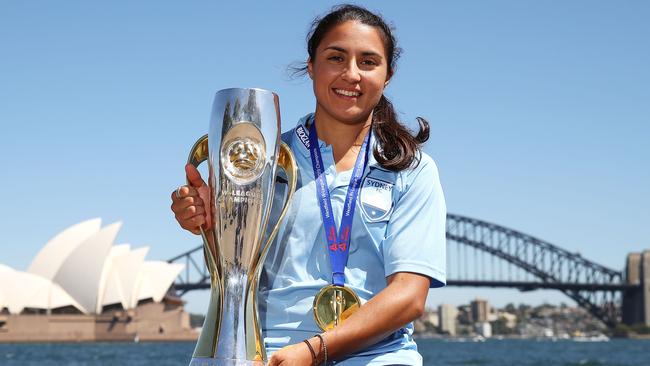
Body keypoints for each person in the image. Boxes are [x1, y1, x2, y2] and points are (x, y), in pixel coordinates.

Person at [171, 4, 446, 365]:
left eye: (368, 61)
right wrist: (207, 222)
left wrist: (315, 351)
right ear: (312, 66)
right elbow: (234, 268)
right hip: (259, 349)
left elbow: (409, 296)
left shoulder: (412, 169)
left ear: (387, 75)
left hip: (377, 356)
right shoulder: (261, 159)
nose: (351, 75)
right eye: (336, 58)